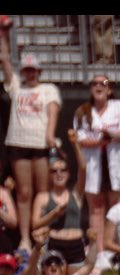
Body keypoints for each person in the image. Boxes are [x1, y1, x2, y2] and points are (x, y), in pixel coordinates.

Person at [74, 75, 120, 266]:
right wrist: (105, 139)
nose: (99, 86)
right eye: (94, 83)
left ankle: (115, 249)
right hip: (93, 165)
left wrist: (110, 135)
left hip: (115, 164)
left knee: (117, 207)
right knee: (96, 208)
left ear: (110, 89)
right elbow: (81, 139)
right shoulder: (83, 111)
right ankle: (99, 252)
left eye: (103, 83)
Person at [1, 52, 60, 252]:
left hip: (40, 144)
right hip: (19, 144)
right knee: (24, 193)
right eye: (27, 70)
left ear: (39, 71)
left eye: (33, 70)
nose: (31, 73)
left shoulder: (48, 89)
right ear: (23, 72)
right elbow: (6, 63)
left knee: (43, 193)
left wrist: (50, 135)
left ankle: (41, 236)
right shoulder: (17, 87)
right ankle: (25, 239)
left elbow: (53, 111)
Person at [32, 131, 88, 270]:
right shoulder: (42, 197)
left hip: (75, 245)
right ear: (49, 175)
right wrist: (54, 214)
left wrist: (75, 144)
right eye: (54, 171)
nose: (59, 174)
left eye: (63, 170)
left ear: (68, 174)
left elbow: (83, 168)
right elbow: (35, 224)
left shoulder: (76, 194)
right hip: (55, 244)